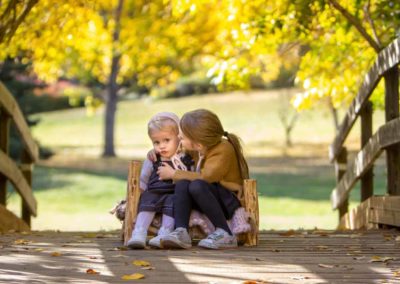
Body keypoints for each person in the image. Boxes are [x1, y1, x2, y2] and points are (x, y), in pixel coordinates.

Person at [157, 109, 249, 249]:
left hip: (226, 201)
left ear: (198, 144)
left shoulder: (223, 150)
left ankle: (225, 232)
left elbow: (206, 177)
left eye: (182, 137)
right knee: (182, 184)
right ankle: (181, 232)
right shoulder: (201, 147)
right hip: (208, 197)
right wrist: (155, 152)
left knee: (196, 185)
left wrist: (173, 174)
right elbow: (174, 149)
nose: (179, 137)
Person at [126, 112, 193, 249]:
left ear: (179, 138)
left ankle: (165, 233)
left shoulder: (185, 158)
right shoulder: (153, 159)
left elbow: (191, 176)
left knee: (173, 204)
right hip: (154, 191)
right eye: (156, 142)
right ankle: (139, 232)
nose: (161, 146)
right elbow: (144, 178)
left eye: (166, 140)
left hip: (173, 193)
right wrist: (138, 191)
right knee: (147, 200)